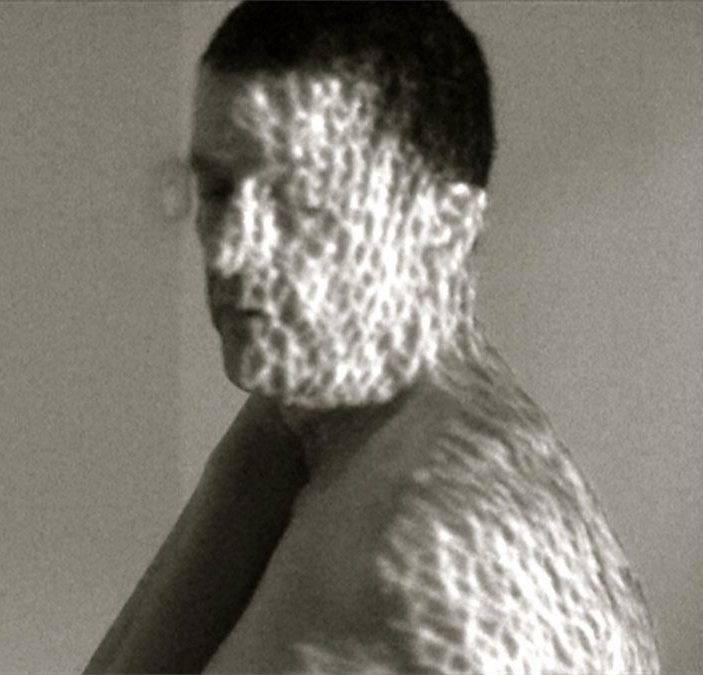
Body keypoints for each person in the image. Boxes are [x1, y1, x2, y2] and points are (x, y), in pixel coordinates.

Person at [86, 3, 660, 673]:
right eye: (217, 190)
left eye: (299, 199)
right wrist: (266, 437)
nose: (230, 251)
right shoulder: (322, 422)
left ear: (444, 226)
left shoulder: (426, 546)